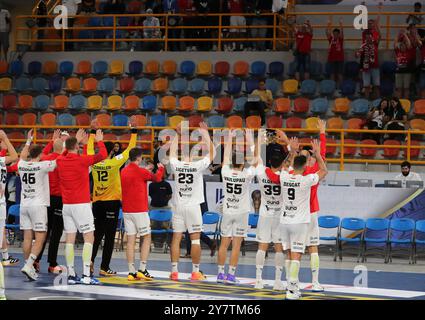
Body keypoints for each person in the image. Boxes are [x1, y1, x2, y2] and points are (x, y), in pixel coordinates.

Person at [270, 140, 327, 300]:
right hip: (299, 222)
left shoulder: (284, 176)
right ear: (304, 167)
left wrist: (291, 151)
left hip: (285, 221)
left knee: (289, 254)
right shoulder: (306, 180)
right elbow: (324, 171)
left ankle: (292, 286)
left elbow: (283, 166)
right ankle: (291, 289)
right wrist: (317, 155)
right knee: (296, 256)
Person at [56, 129, 107, 285]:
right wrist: (99, 140)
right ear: (77, 147)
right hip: (81, 205)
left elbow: (64, 153)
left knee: (70, 239)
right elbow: (103, 155)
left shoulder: (60, 160)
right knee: (88, 237)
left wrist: (76, 142)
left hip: (67, 206)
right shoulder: (82, 161)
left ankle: (71, 275)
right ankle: (86, 275)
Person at [88, 120, 137, 277]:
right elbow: (130, 149)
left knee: (96, 235)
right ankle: (104, 267)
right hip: (111, 203)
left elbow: (89, 149)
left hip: (97, 203)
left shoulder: (93, 163)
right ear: (111, 152)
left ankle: (89, 261)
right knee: (109, 237)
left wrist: (93, 132)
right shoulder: (114, 163)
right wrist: (134, 130)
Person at [168, 121, 215, 281]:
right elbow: (212, 154)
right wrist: (206, 134)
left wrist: (178, 135)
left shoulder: (176, 165)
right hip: (193, 207)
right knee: (195, 240)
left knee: (176, 238)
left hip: (178, 207)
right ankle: (195, 272)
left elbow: (172, 153)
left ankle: (174, 272)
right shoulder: (197, 166)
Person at [254, 136, 294, 291]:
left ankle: (258, 280)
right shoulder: (285, 175)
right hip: (279, 215)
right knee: (279, 247)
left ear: (269, 162)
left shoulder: (262, 172)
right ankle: (278, 281)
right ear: (282, 163)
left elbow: (256, 156)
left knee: (261, 246)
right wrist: (290, 147)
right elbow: (292, 161)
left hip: (265, 214)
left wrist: (259, 141)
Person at [217, 129, 255, 284]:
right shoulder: (246, 174)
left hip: (228, 211)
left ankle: (220, 274)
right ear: (242, 163)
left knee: (224, 244)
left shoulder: (225, 171)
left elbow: (225, 157)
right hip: (241, 212)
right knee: (236, 245)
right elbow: (255, 160)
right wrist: (250, 139)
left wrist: (230, 139)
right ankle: (231, 275)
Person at [121, 148, 165, 281]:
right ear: (139, 158)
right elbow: (157, 178)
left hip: (127, 210)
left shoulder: (123, 171)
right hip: (139, 210)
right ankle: (142, 269)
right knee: (146, 237)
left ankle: (131, 271)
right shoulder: (142, 172)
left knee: (130, 240)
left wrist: (147, 169)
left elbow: (138, 176)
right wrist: (161, 168)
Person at [18, 143, 57, 281]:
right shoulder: (42, 165)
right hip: (38, 206)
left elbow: (22, 155)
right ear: (40, 155)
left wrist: (27, 142)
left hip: (24, 205)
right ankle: (29, 265)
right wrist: (62, 147)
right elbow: (59, 160)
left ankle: (28, 266)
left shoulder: (21, 164)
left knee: (27, 237)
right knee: (40, 237)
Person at [35, 130, 66, 274]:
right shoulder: (62, 160)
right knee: (56, 232)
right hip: (59, 199)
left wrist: (51, 141)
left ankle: (35, 260)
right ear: (63, 148)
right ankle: (52, 263)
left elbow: (39, 156)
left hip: (45, 199)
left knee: (44, 232)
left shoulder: (46, 159)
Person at [0, 131, 19, 300]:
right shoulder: (2, 161)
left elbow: (14, 158)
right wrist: (5, 138)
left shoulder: (2, 161)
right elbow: (15, 156)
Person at [356, 29, 380, 100]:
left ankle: (378, 101)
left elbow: (380, 36)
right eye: (367, 37)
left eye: (369, 37)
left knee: (376, 85)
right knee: (366, 86)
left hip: (375, 67)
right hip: (366, 68)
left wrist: (377, 27)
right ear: (365, 38)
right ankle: (366, 100)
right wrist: (357, 54)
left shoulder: (375, 44)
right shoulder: (363, 46)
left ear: (372, 37)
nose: (368, 39)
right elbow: (357, 55)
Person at [326, 17, 344, 85]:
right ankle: (332, 87)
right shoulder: (331, 39)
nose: (335, 35)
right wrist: (328, 24)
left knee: (340, 74)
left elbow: (342, 32)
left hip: (340, 59)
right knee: (332, 74)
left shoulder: (340, 39)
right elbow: (326, 32)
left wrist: (341, 25)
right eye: (334, 34)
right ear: (333, 34)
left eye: (337, 34)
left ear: (338, 34)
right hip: (332, 59)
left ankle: (341, 88)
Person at [394, 30, 412, 99]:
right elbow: (395, 43)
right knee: (399, 88)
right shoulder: (397, 51)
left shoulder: (408, 52)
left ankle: (406, 102)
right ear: (400, 47)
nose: (403, 47)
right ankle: (398, 102)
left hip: (407, 72)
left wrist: (405, 35)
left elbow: (409, 43)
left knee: (406, 88)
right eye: (402, 46)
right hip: (398, 72)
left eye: (404, 46)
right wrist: (398, 35)